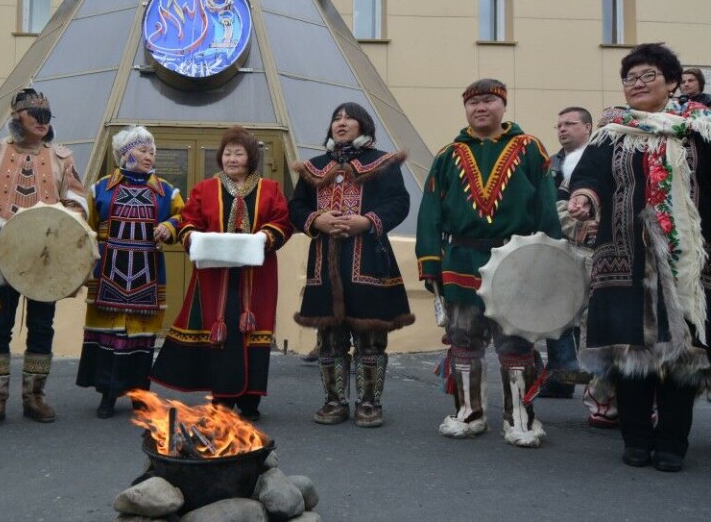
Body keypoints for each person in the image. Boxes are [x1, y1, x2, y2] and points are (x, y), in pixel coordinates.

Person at [568, 43, 711, 471]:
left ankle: (672, 442)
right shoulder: (611, 134)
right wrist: (583, 198)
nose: (636, 84)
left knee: (683, 358)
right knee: (630, 355)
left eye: (647, 75)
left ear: (671, 82)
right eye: (629, 78)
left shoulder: (699, 131)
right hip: (623, 258)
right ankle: (635, 437)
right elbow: (590, 177)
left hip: (687, 263)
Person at [416, 79, 562, 447]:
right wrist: (430, 262)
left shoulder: (530, 149)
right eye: (473, 102)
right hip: (461, 260)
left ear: (503, 105)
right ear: (465, 109)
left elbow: (546, 206)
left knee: (516, 344)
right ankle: (468, 412)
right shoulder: (448, 155)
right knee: (463, 342)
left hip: (517, 262)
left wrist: (551, 258)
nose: (480, 107)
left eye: (489, 100)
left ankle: (521, 418)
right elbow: (430, 211)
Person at [0, 88, 88, 429]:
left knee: (41, 327)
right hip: (1, 255)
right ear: (17, 118)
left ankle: (35, 396)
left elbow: (77, 204)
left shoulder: (62, 158)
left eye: (47, 116)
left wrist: (67, 247)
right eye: (36, 115)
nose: (43, 122)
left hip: (45, 260)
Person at [151, 126, 292, 421]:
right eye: (227, 153)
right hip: (216, 277)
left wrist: (264, 238)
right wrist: (195, 240)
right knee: (222, 330)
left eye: (238, 153)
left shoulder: (270, 189)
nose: (231, 159)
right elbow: (189, 222)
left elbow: (281, 221)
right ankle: (222, 398)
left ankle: (251, 400)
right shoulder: (204, 189)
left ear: (251, 157)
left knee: (253, 329)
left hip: (258, 275)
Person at [289, 103, 414, 428]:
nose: (341, 123)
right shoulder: (314, 167)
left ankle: (369, 404)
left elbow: (399, 202)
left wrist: (367, 221)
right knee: (329, 339)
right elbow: (297, 206)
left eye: (349, 118)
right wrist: (318, 220)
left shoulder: (383, 163)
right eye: (336, 119)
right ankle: (334, 402)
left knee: (370, 338)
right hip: (324, 265)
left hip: (369, 260)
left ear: (365, 125)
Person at [75, 126, 184, 418]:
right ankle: (107, 394)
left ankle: (139, 394)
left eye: (152, 151)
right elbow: (81, 227)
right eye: (143, 150)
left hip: (147, 273)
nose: (150, 156)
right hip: (107, 270)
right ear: (125, 154)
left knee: (142, 336)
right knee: (107, 333)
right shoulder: (100, 188)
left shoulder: (167, 191)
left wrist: (170, 226)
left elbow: (184, 218)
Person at [539, 107, 594, 399]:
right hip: (562, 247)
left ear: (588, 128)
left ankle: (597, 385)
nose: (562, 129)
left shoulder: (599, 158)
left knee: (590, 318)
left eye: (570, 124)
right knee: (558, 313)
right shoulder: (550, 164)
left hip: (593, 251)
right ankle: (562, 376)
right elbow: (550, 205)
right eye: (559, 124)